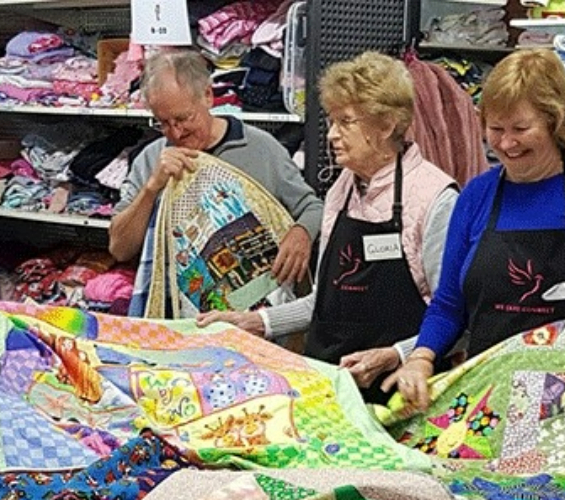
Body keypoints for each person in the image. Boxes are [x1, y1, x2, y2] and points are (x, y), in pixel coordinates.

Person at [382, 49, 565, 412]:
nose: (507, 143)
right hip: (490, 399)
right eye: (496, 129)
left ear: (555, 121)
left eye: (521, 129)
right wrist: (421, 357)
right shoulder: (476, 196)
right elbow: (450, 305)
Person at [194, 52, 459, 398]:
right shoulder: (342, 189)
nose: (332, 134)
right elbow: (322, 303)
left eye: (345, 122)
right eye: (332, 121)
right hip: (333, 385)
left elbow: (454, 317)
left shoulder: (434, 197)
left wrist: (396, 356)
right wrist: (257, 323)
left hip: (401, 394)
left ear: (386, 125)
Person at [108, 49, 323, 287]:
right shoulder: (150, 159)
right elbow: (120, 249)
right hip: (179, 311)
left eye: (184, 118)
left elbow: (312, 207)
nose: (176, 132)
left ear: (208, 96)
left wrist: (301, 233)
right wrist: (150, 190)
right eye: (163, 123)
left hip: (253, 308)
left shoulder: (261, 148)